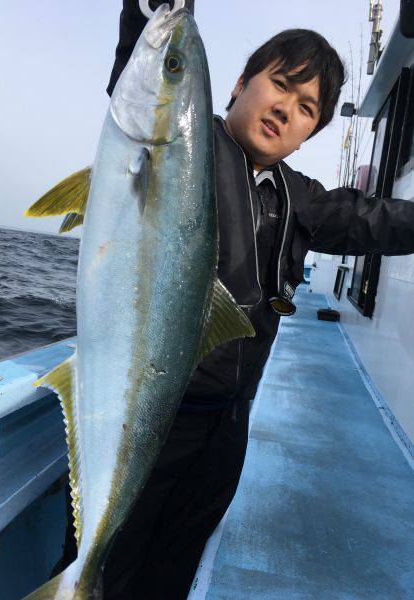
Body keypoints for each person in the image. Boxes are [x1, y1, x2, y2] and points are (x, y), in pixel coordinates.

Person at [57, 1, 414, 598]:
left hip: (226, 432)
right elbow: (142, 75)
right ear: (240, 84)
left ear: (311, 134)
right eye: (280, 84)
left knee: (171, 574)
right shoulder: (185, 148)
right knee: (109, 565)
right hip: (151, 417)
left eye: (307, 109)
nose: (286, 109)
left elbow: (375, 219)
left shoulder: (301, 200)